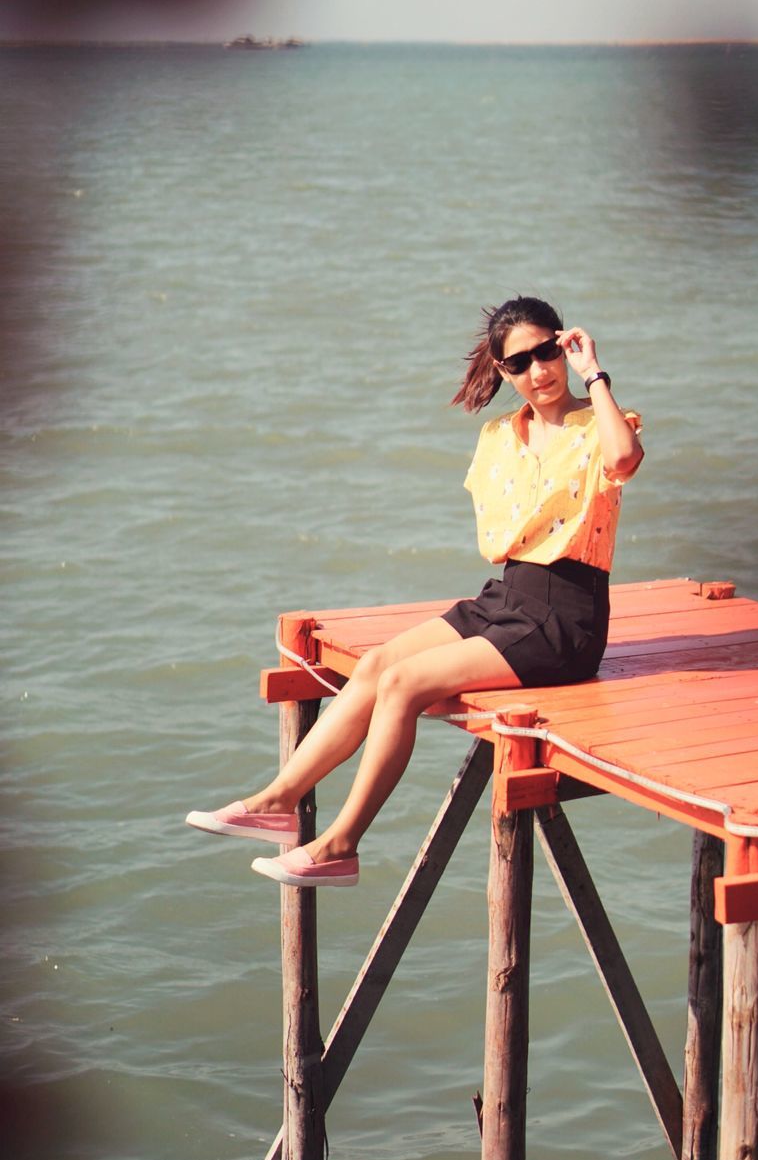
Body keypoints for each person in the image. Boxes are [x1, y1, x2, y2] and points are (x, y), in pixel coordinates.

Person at [186, 296, 643, 888]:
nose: (539, 371)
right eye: (521, 362)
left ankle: (340, 846)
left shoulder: (601, 421)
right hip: (508, 599)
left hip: (565, 621)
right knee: (377, 665)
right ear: (504, 372)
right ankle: (277, 800)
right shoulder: (502, 435)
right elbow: (503, 537)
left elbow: (625, 459)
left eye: (548, 351)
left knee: (403, 685)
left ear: (566, 344)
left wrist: (596, 377)